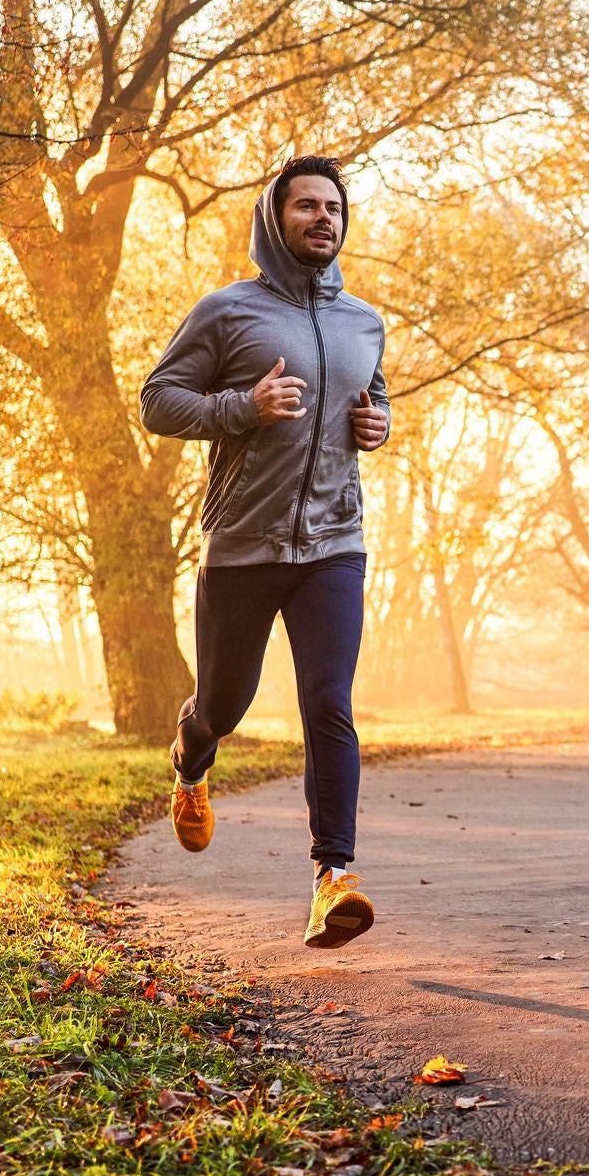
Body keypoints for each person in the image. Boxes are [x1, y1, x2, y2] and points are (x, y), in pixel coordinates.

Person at [139, 155, 388, 950]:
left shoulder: (364, 321)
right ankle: (191, 756)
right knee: (224, 703)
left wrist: (379, 424)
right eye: (307, 206)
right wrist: (242, 407)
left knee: (329, 702)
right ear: (274, 219)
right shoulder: (227, 311)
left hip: (333, 546)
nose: (323, 218)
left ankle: (333, 878)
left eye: (333, 209)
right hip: (243, 544)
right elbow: (158, 400)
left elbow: (372, 396)